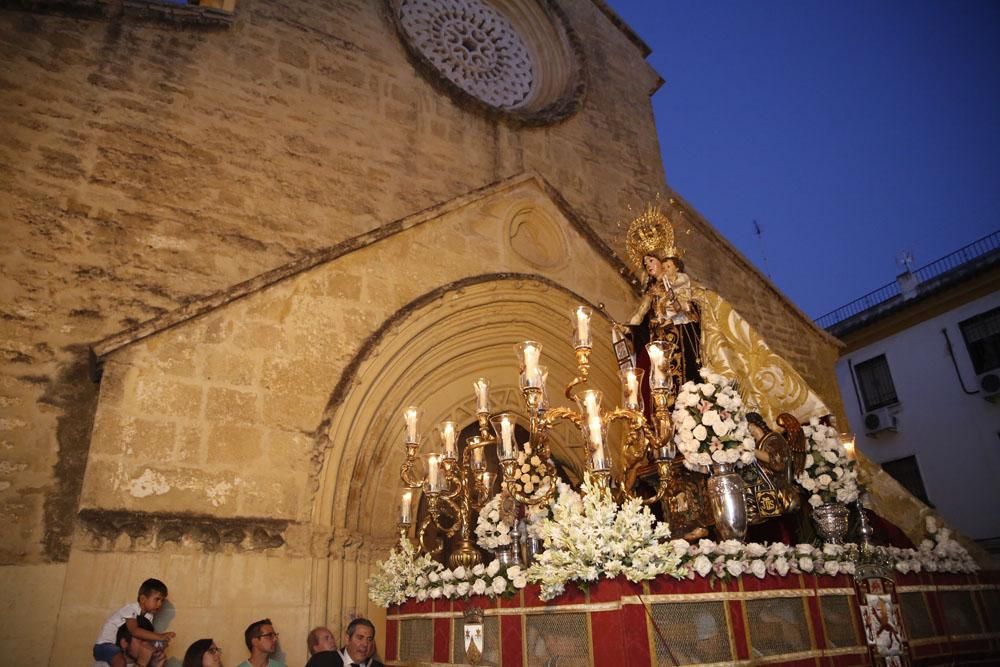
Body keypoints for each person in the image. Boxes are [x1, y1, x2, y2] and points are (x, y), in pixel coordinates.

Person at [94, 578, 175, 666]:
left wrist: (158, 646)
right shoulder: (130, 609)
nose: (160, 604)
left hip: (120, 649)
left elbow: (146, 635)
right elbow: (134, 631)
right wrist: (160, 637)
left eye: (162, 600)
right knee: (120, 662)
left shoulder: (149, 616)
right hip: (104, 645)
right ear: (143, 599)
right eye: (157, 599)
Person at [305, 618, 383, 667]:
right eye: (360, 638)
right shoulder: (321, 661)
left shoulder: (376, 666)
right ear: (347, 639)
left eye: (369, 639)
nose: (365, 644)